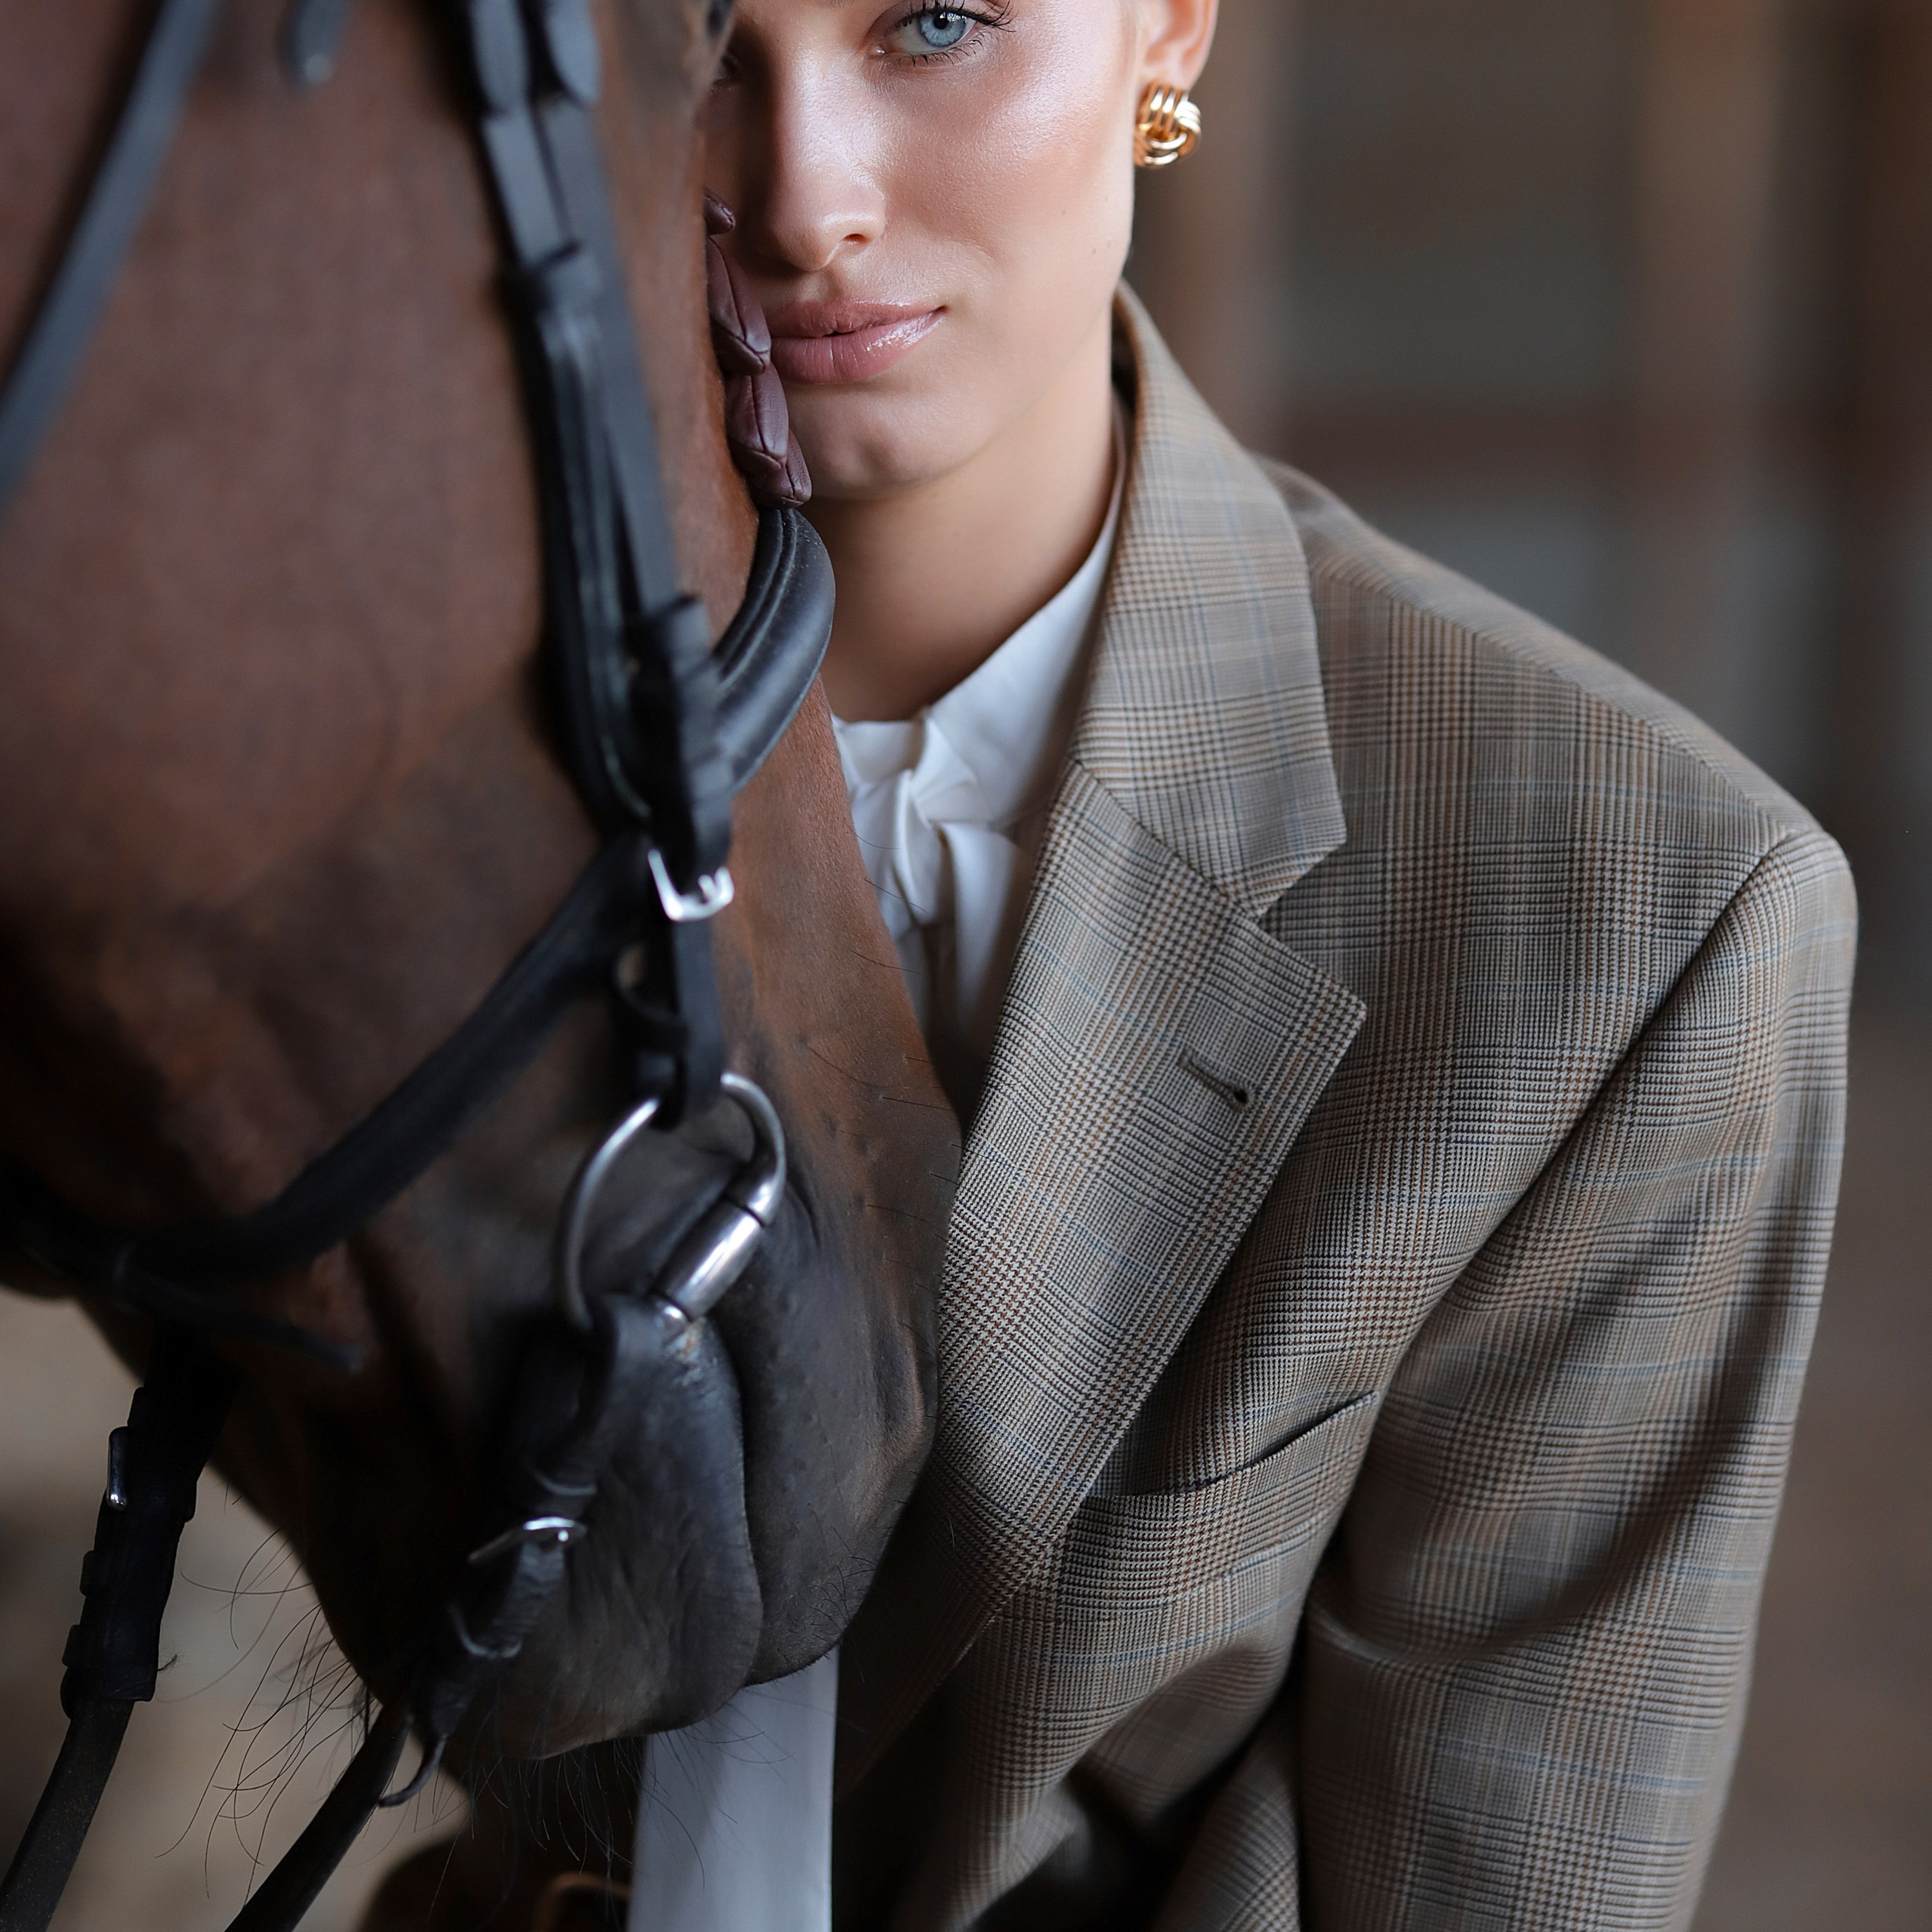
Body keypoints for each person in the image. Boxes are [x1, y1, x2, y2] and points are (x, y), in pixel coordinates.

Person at [667, 0, 1857, 1925]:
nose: (800, 198)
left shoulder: (1631, 922)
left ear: (1167, 30)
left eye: (938, 25)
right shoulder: (426, 788)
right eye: (695, 40)